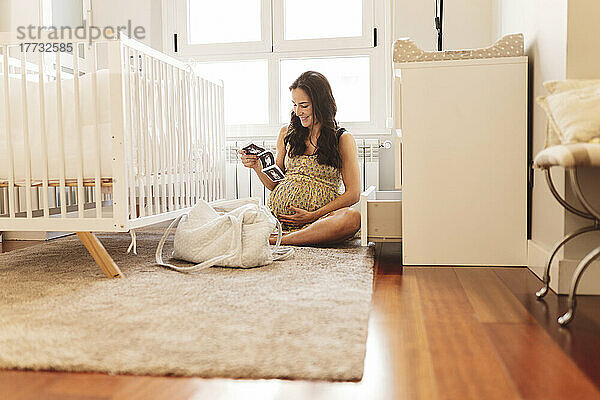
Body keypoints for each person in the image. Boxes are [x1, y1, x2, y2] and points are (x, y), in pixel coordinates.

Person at [238, 71, 361, 245]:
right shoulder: (286, 133)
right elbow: (274, 184)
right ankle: (294, 237)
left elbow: (353, 194)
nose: (297, 112)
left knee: (353, 217)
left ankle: (282, 240)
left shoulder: (342, 138)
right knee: (240, 216)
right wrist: (258, 166)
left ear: (321, 104)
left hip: (320, 218)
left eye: (304, 105)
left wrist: (312, 215)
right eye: (294, 105)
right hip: (280, 217)